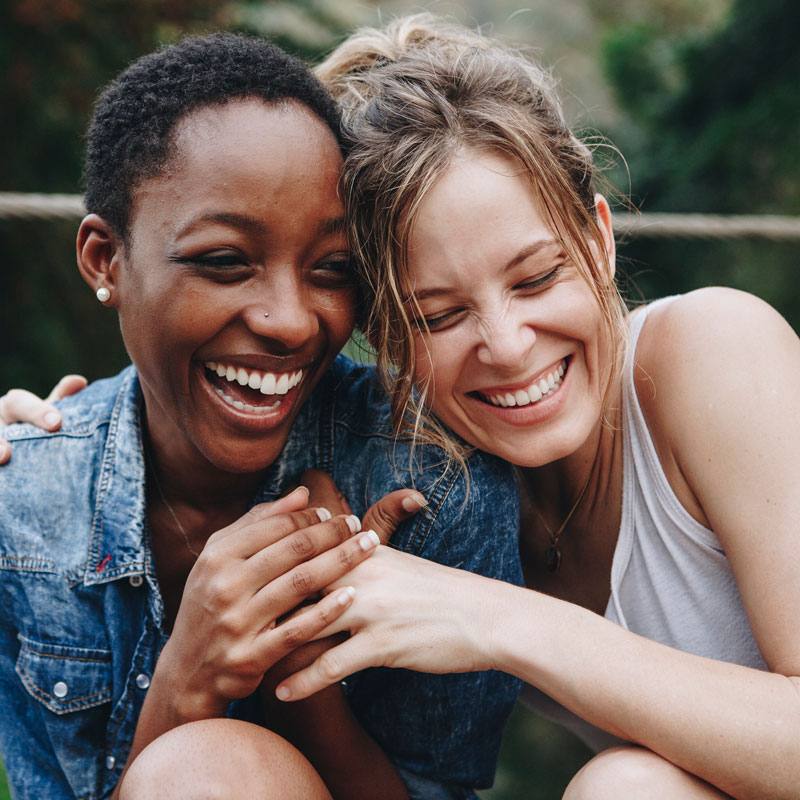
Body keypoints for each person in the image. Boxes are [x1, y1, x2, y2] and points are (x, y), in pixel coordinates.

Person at [266, 15, 800, 799]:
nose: (509, 346)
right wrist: (46, 439)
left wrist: (504, 622)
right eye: (439, 315)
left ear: (599, 237)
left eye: (537, 277)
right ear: (381, 337)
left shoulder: (713, 351)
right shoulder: (443, 485)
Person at [0, 32, 522, 800]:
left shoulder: (431, 483)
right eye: (224, 261)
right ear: (105, 260)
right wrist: (188, 679)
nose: (289, 321)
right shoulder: (25, 511)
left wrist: (303, 668)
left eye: (332, 270)